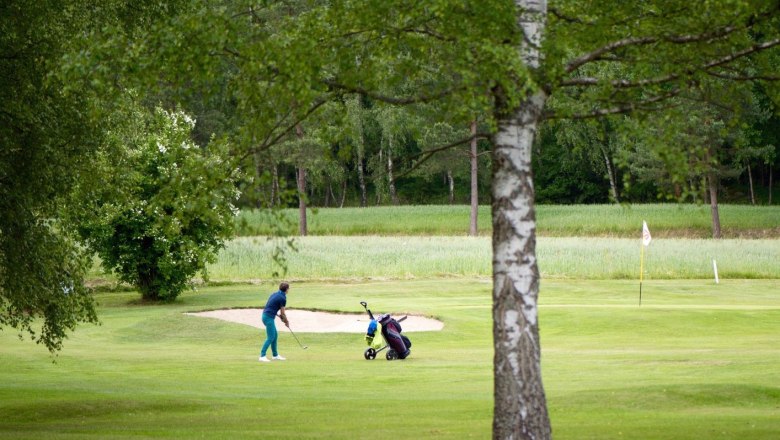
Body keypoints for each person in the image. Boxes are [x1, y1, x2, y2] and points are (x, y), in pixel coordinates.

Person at [259, 282, 290, 362]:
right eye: (288, 289)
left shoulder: (274, 294)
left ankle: (275, 355)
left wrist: (280, 317)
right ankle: (262, 356)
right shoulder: (283, 298)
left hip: (266, 316)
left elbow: (271, 306)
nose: (289, 290)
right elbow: (282, 313)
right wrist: (286, 321)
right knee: (271, 337)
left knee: (275, 336)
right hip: (268, 318)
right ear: (286, 289)